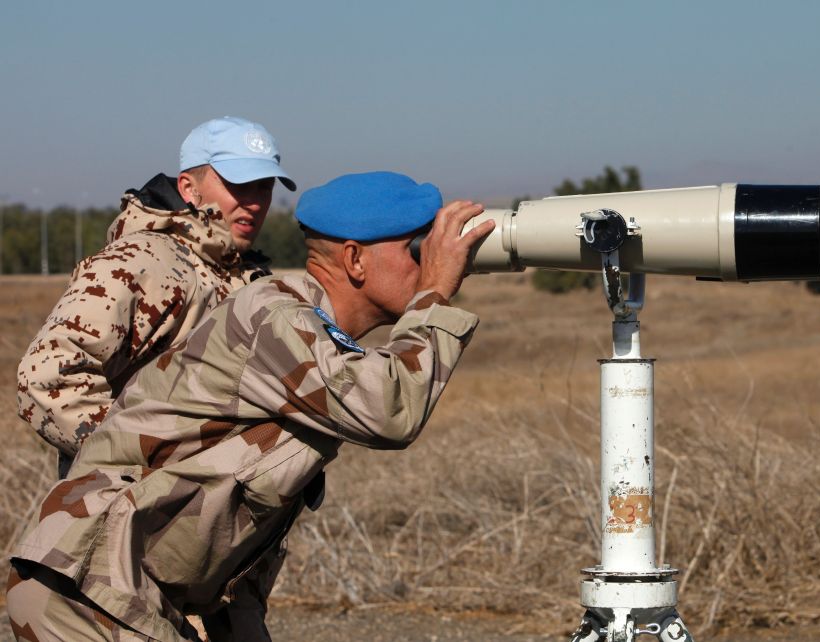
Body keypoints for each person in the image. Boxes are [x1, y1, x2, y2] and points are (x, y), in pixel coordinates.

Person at [7, 171, 496, 641]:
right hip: (86, 588)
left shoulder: (317, 344)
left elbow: (237, 537)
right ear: (355, 259)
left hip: (122, 589)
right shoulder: (272, 317)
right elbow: (392, 412)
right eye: (417, 250)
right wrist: (434, 293)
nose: (431, 263)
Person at [16, 116, 296, 478]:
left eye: (264, 187)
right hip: (135, 519)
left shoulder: (248, 276)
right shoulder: (144, 261)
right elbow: (48, 375)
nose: (255, 202)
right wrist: (148, 468)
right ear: (188, 188)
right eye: (238, 184)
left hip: (215, 522)